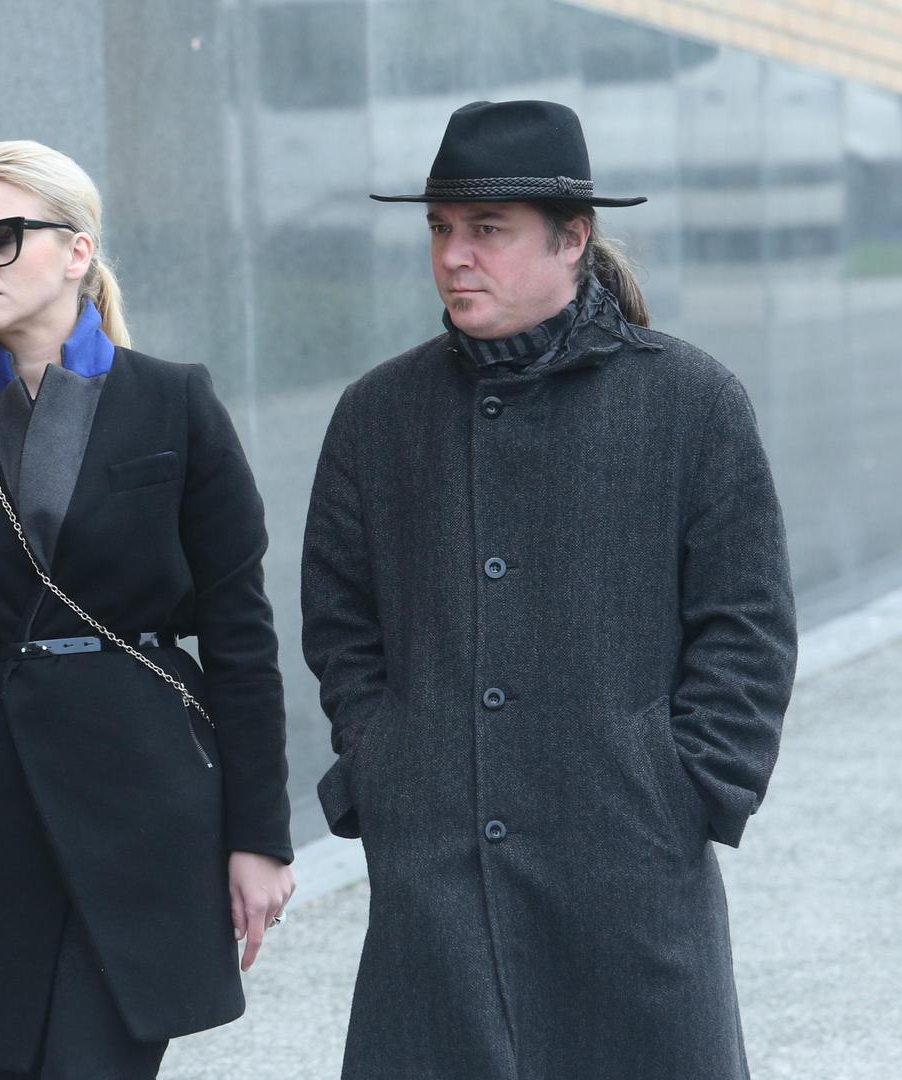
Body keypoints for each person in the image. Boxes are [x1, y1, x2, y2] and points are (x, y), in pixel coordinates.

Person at [302, 100, 797, 1080]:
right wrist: (387, 760)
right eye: (440, 227)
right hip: (437, 880)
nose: (453, 256)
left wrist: (682, 785)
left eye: (487, 229)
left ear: (572, 240)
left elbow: (747, 627)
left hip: (630, 868)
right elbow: (340, 623)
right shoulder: (377, 414)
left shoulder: (690, 401)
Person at [0, 140, 296, 1079]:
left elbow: (240, 636)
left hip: (143, 807)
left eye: (0, 239)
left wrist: (260, 834)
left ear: (78, 251)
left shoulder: (174, 403)